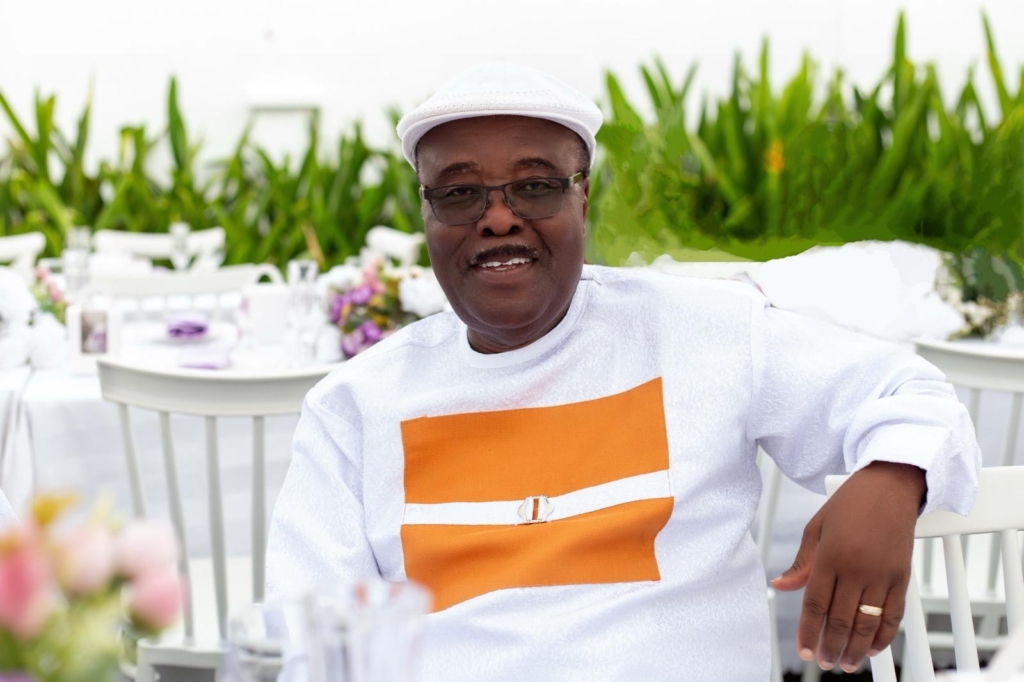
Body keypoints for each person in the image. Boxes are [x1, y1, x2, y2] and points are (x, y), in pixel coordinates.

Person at [267, 62, 980, 680]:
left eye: (535, 186)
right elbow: (310, 641)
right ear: (426, 215)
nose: (498, 218)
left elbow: (912, 393)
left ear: (582, 197)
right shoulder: (355, 407)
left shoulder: (704, 332)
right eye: (458, 193)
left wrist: (892, 479)